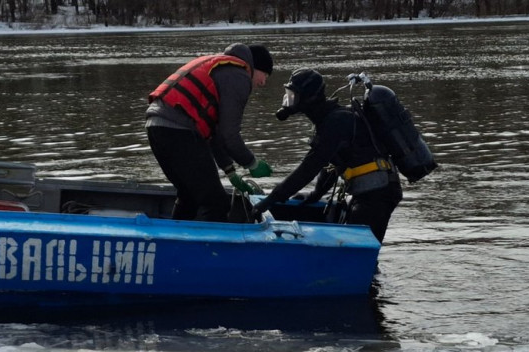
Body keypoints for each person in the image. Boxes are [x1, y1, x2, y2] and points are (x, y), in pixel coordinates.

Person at [253, 68, 402, 243]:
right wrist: (316, 194)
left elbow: (308, 169)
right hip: (369, 192)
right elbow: (330, 163)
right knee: (354, 251)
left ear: (309, 98)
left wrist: (269, 201)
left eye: (293, 95)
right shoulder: (328, 119)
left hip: (378, 194)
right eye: (288, 94)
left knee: (358, 254)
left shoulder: (336, 122)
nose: (289, 100)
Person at [146, 43, 274, 222]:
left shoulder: (223, 68)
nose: (262, 83)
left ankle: (179, 242)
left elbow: (215, 133)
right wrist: (251, 163)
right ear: (255, 67)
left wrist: (230, 172)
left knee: (189, 195)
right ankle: (208, 248)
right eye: (265, 75)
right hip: (179, 131)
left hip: (157, 128)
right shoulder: (239, 76)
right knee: (217, 203)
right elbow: (230, 135)